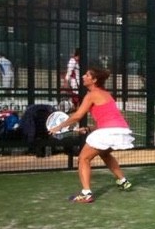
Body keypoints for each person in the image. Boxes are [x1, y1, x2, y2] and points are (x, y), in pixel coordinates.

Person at [48, 66, 134, 203]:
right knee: (105, 153)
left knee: (83, 158)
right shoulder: (106, 94)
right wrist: (88, 128)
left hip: (110, 131)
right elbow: (107, 121)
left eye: (87, 75)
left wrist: (58, 127)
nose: (83, 76)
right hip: (121, 129)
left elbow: (77, 116)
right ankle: (123, 181)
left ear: (94, 80)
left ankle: (86, 194)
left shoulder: (91, 95)